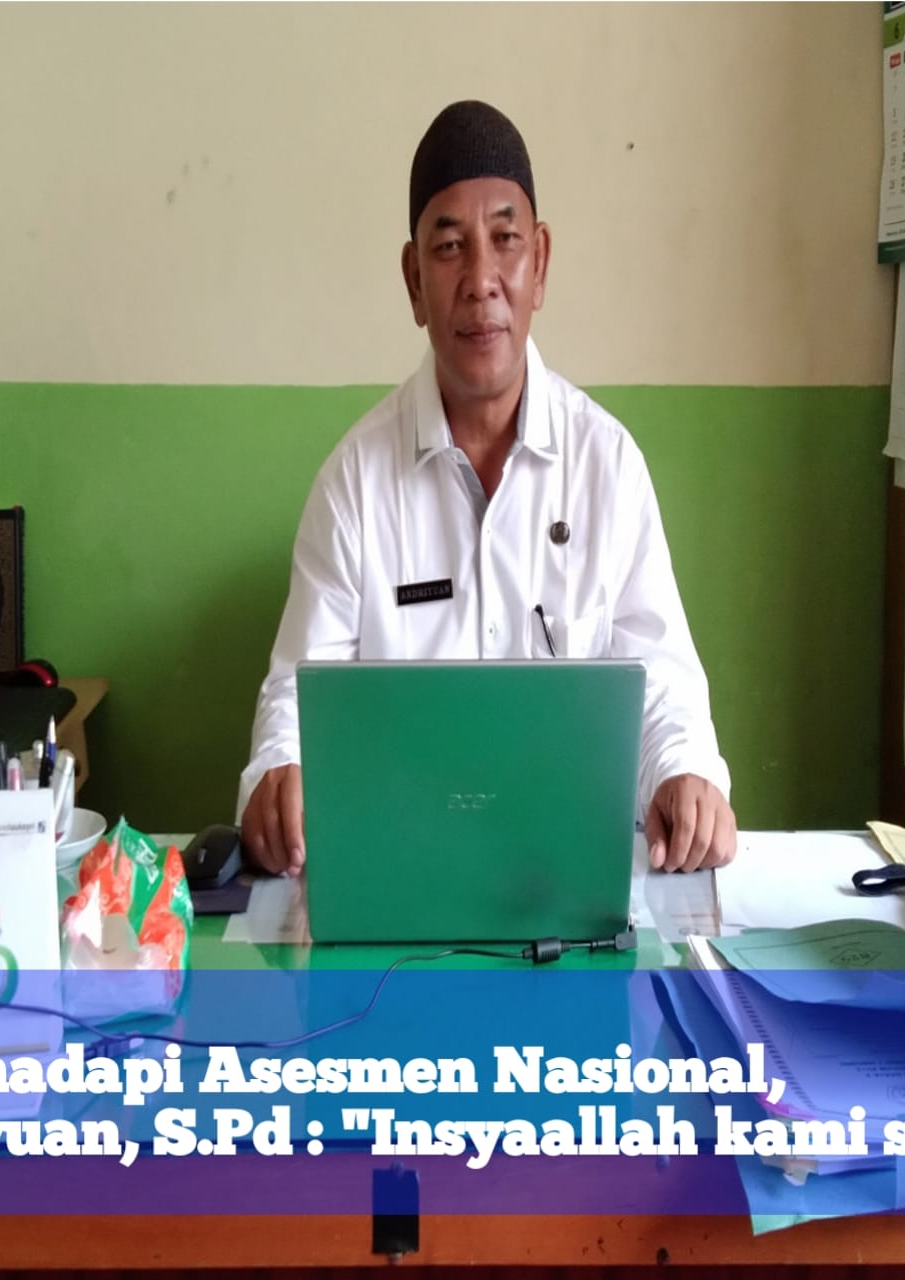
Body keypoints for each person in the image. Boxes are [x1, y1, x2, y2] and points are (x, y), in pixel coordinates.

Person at [238, 100, 737, 879]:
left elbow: (661, 680)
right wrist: (279, 772)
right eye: (449, 248)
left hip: (568, 875)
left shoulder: (606, 464)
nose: (480, 283)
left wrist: (684, 771)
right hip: (404, 870)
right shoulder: (354, 483)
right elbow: (299, 697)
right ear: (414, 281)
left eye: (505, 241)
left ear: (541, 263)